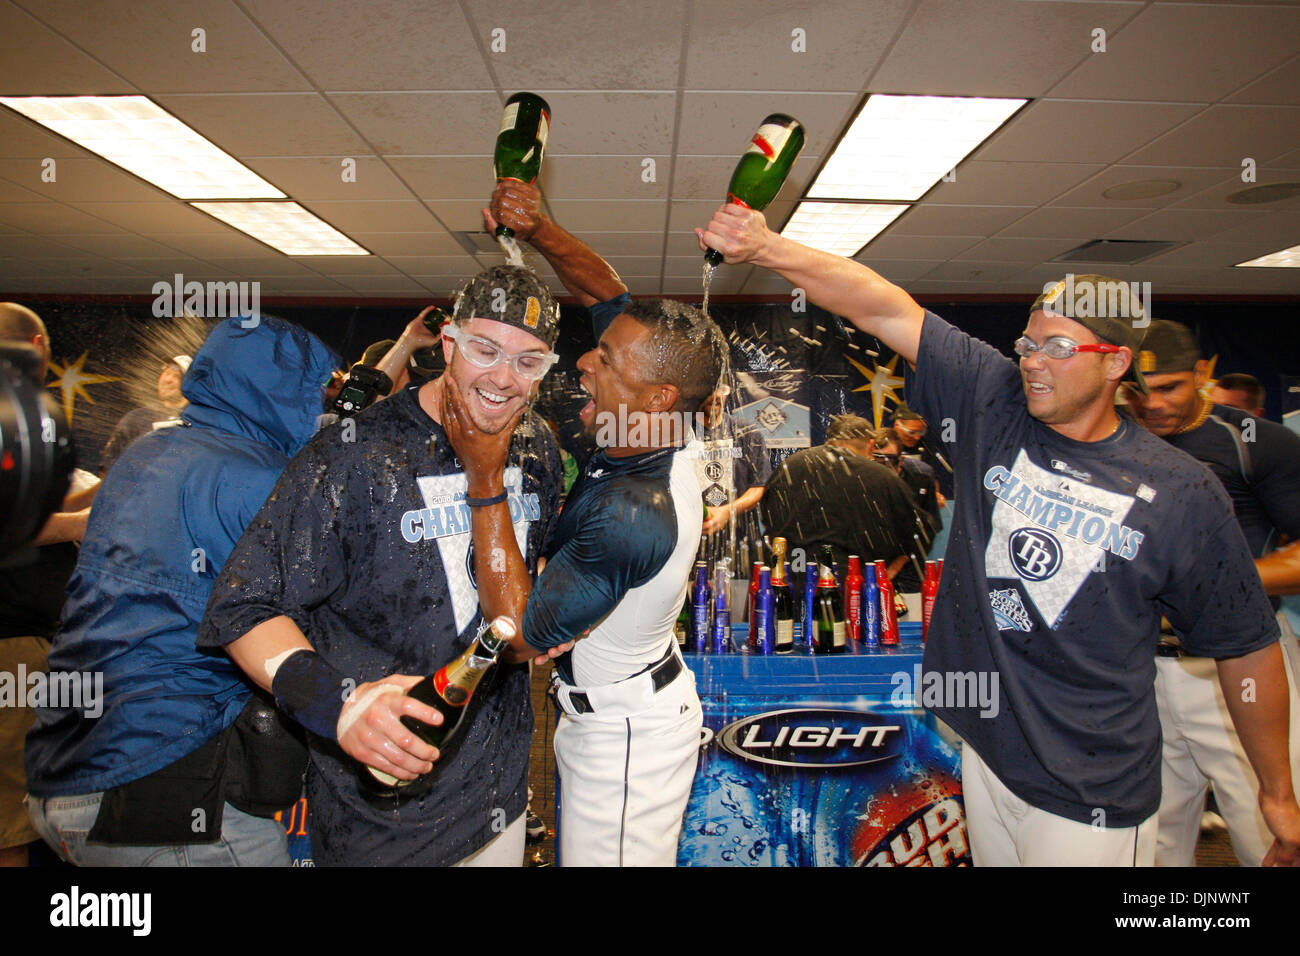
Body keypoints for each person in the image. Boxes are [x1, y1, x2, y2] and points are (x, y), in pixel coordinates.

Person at [698, 204, 1300, 867]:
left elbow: (1247, 646)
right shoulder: (997, 401)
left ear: (1116, 362)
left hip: (1087, 790)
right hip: (988, 755)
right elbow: (883, 308)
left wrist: (1277, 789)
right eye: (1028, 343)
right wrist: (768, 247)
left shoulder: (1181, 490)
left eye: (1060, 348)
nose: (1035, 362)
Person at [198, 269, 563, 867]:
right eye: (485, 351)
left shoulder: (536, 446)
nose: (503, 379)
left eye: (529, 362)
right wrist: (339, 705)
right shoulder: (354, 453)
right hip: (383, 812)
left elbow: (531, 566)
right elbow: (243, 606)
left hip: (499, 789)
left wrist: (553, 610)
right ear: (449, 345)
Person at [25, 314, 337, 866]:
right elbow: (320, 613)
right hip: (164, 786)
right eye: (314, 390)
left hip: (65, 768)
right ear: (285, 391)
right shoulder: (264, 480)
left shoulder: (145, 454)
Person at [484, 179, 725, 865]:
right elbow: (603, 291)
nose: (583, 360)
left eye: (605, 359)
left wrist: (482, 478)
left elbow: (520, 643)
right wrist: (539, 230)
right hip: (605, 706)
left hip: (625, 736)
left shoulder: (634, 510)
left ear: (660, 395)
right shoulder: (651, 423)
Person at [1124, 319, 1300, 866]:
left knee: (1270, 837)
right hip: (1137, 674)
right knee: (1150, 850)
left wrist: (1213, 585)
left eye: (1170, 387)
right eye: (1138, 391)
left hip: (1241, 669)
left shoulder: (1256, 443)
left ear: (1202, 374)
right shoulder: (1105, 445)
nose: (1153, 405)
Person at [0, 303, 98, 867]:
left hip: (27, 636)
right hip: (11, 640)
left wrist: (107, 485)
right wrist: (77, 525)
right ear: (38, 344)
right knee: (18, 807)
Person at [761, 414, 918, 581]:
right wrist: (889, 571)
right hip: (855, 585)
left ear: (829, 440)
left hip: (792, 577)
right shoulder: (883, 477)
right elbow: (917, 532)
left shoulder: (790, 466)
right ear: (871, 445)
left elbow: (769, 520)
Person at [100, 354, 191, 474]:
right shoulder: (136, 418)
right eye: (167, 373)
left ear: (189, 384)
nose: (168, 380)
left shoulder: (197, 421)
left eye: (177, 376)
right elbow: (107, 470)